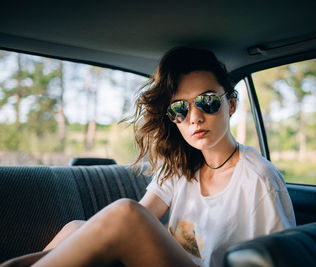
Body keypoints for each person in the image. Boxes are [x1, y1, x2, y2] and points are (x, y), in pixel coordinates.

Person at [1, 47, 295, 267]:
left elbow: (283, 258)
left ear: (230, 104)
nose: (194, 118)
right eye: (180, 108)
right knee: (76, 228)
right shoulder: (180, 165)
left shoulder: (259, 179)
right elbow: (141, 218)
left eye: (207, 102)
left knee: (125, 213)